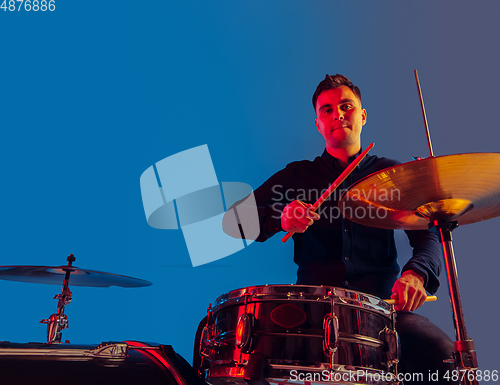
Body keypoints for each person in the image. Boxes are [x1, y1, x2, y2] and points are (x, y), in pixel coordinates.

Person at [225, 74, 456, 384]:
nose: (338, 114)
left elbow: (427, 234)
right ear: (319, 124)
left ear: (362, 115)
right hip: (312, 315)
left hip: (382, 311)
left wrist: (416, 273)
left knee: (442, 354)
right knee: (255, 363)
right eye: (327, 110)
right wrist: (280, 217)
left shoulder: (392, 174)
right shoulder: (297, 176)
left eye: (346, 106)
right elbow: (232, 221)